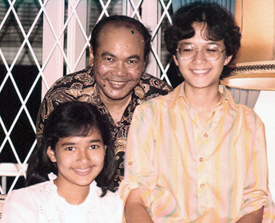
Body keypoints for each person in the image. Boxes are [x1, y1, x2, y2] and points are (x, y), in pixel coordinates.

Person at [120, 2, 275, 223]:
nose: (199, 59)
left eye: (211, 49)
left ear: (228, 56)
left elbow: (255, 202)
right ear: (175, 57)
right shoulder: (149, 115)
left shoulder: (249, 122)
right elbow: (136, 195)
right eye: (188, 49)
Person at [36, 15, 173, 188]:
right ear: (92, 55)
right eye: (109, 59)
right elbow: (48, 167)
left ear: (144, 62)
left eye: (131, 61)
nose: (119, 72)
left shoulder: (163, 100)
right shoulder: (64, 97)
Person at [2, 101, 123, 222]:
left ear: (105, 150)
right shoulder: (25, 203)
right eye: (71, 148)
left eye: (93, 147)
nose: (84, 159)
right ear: (52, 153)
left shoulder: (115, 206)